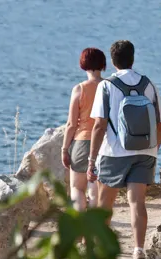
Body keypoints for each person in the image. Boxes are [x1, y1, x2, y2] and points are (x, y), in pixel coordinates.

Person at [87, 40, 161, 259]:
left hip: (114, 153)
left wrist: (92, 159)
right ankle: (138, 249)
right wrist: (154, 149)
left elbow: (99, 126)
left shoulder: (106, 86)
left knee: (105, 204)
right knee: (137, 202)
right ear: (133, 58)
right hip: (145, 152)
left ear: (112, 62)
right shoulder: (148, 84)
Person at [61, 47, 105, 211]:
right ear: (103, 65)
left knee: (77, 189)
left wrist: (65, 149)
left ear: (83, 64)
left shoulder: (79, 89)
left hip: (81, 142)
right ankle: (95, 229)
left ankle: (80, 228)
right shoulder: (110, 87)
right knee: (96, 191)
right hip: (104, 143)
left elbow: (71, 124)